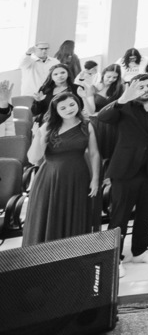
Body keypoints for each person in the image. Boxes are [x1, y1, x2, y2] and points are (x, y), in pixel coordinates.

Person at [96, 73, 148, 273]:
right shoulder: (123, 106)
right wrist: (123, 98)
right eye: (140, 86)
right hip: (126, 169)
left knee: (145, 212)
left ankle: (140, 251)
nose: (145, 90)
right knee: (120, 215)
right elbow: (102, 117)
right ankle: (113, 258)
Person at [23, 91, 102, 245]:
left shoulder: (87, 125)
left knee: (75, 216)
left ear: (78, 104)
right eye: (63, 108)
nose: (69, 109)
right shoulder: (48, 126)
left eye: (72, 104)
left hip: (78, 177)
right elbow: (33, 158)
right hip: (51, 178)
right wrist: (38, 137)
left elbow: (94, 154)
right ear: (56, 111)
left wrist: (95, 179)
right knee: (50, 217)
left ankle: (72, 255)